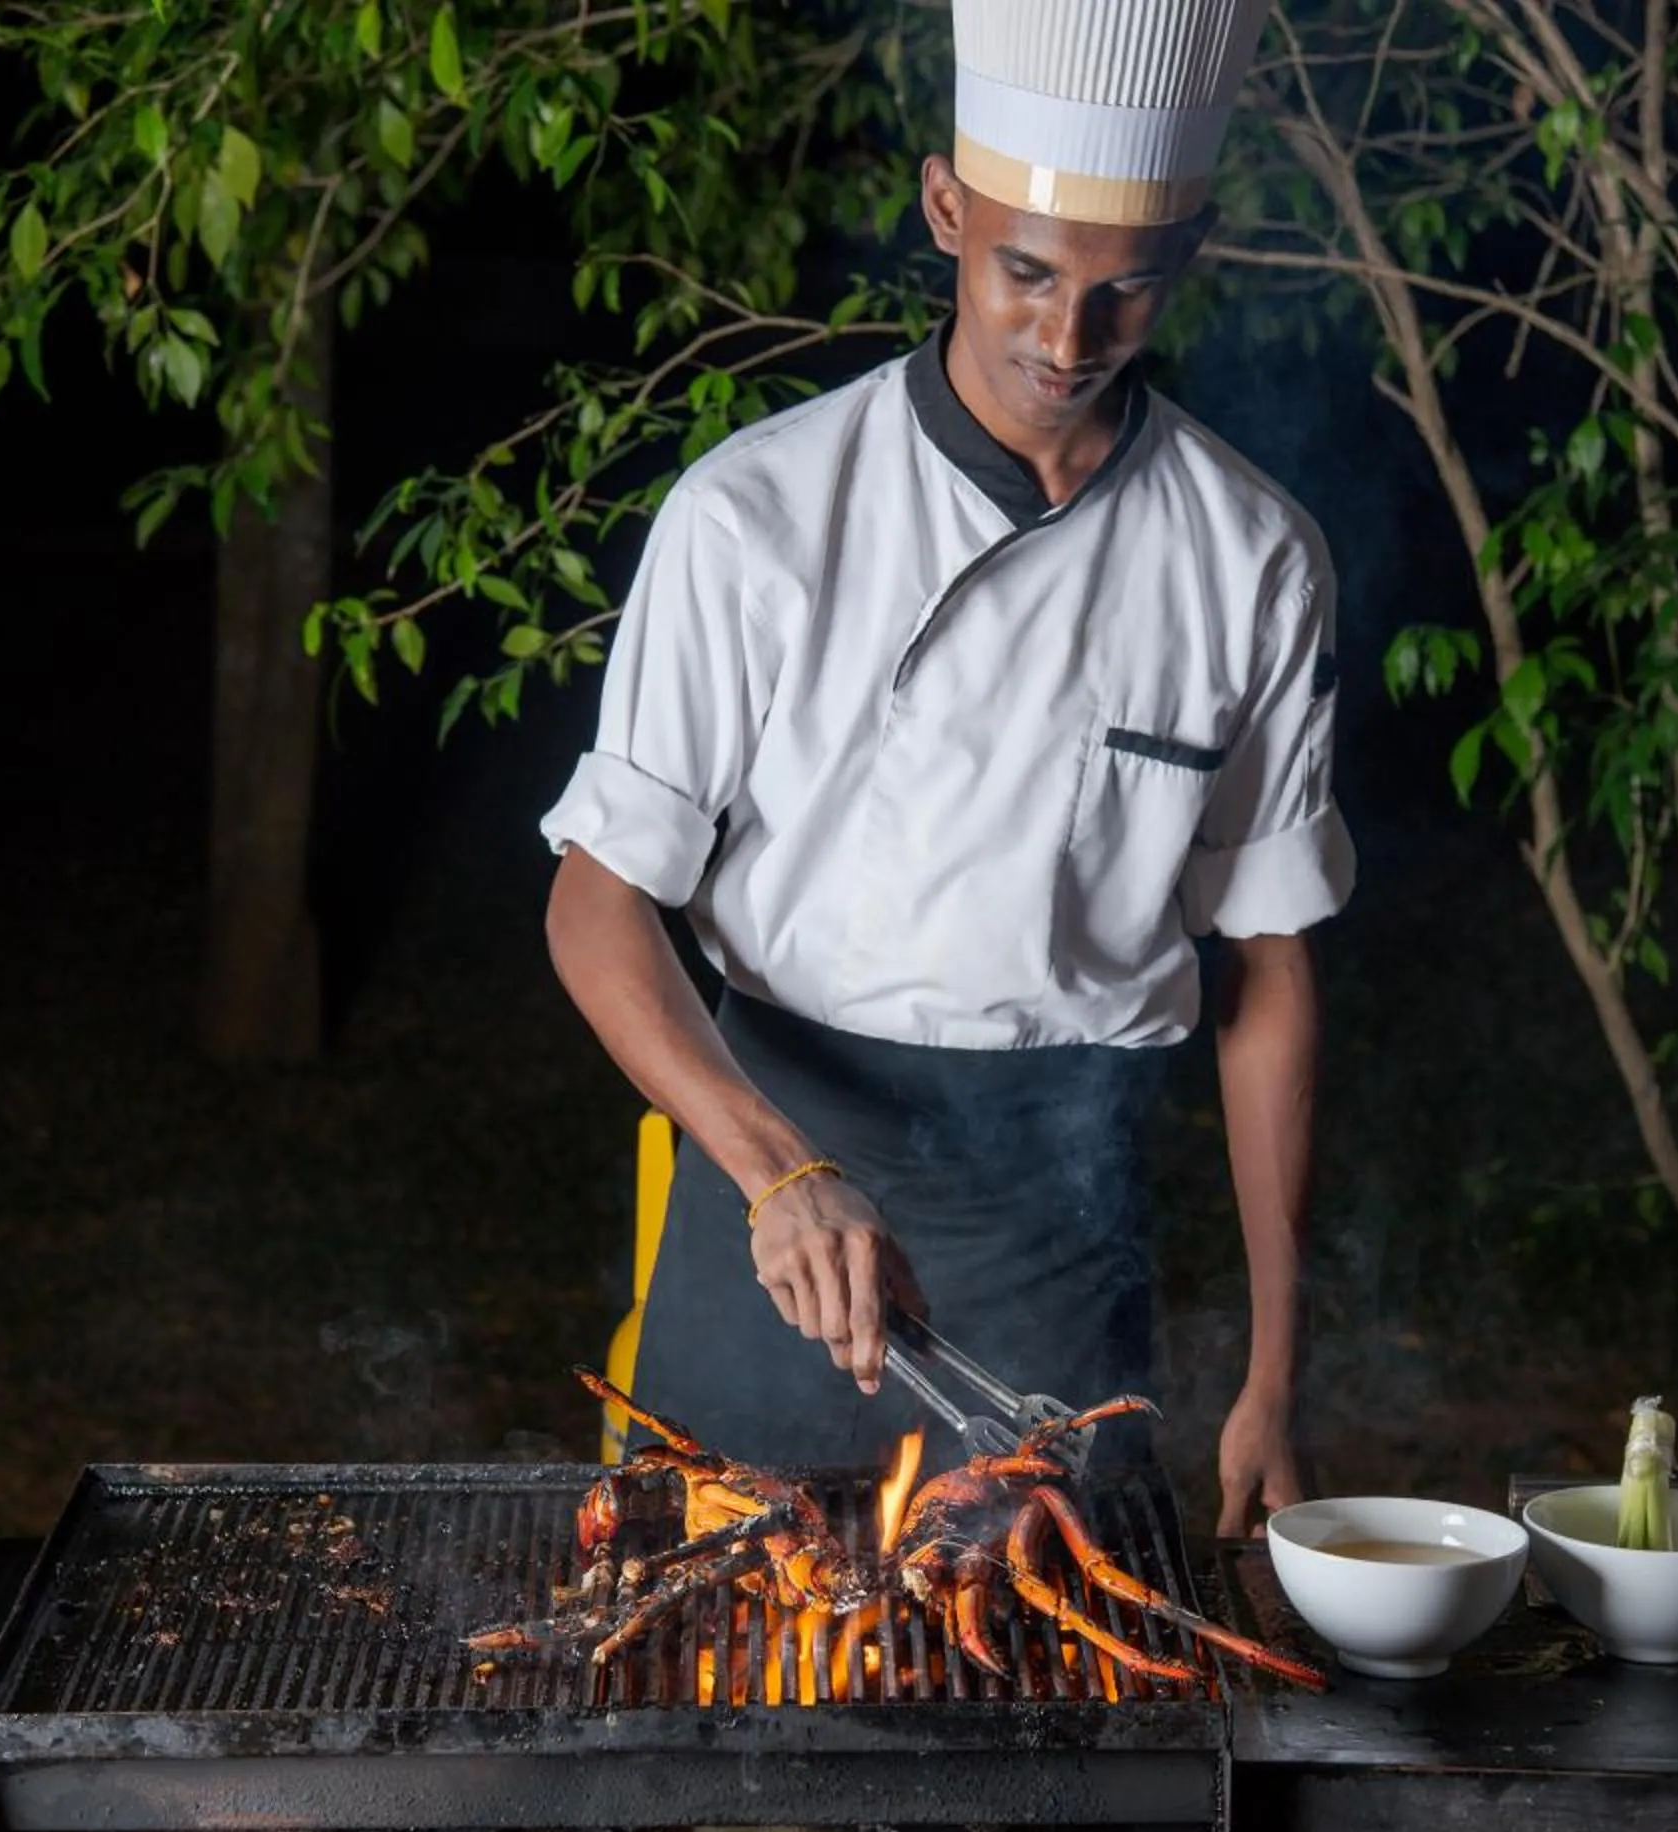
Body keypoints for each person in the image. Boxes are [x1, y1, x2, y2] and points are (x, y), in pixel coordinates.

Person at [537, 0, 1351, 1537]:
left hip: (1061, 1230)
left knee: (1048, 1713)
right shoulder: (759, 515)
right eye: (1026, 274)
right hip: (774, 1183)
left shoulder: (1251, 559)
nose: (1066, 340)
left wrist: (1275, 1369)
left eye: (1125, 295)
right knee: (715, 1687)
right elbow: (596, 901)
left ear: (1194, 255)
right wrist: (777, 1170)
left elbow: (1270, 979)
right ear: (945, 208)